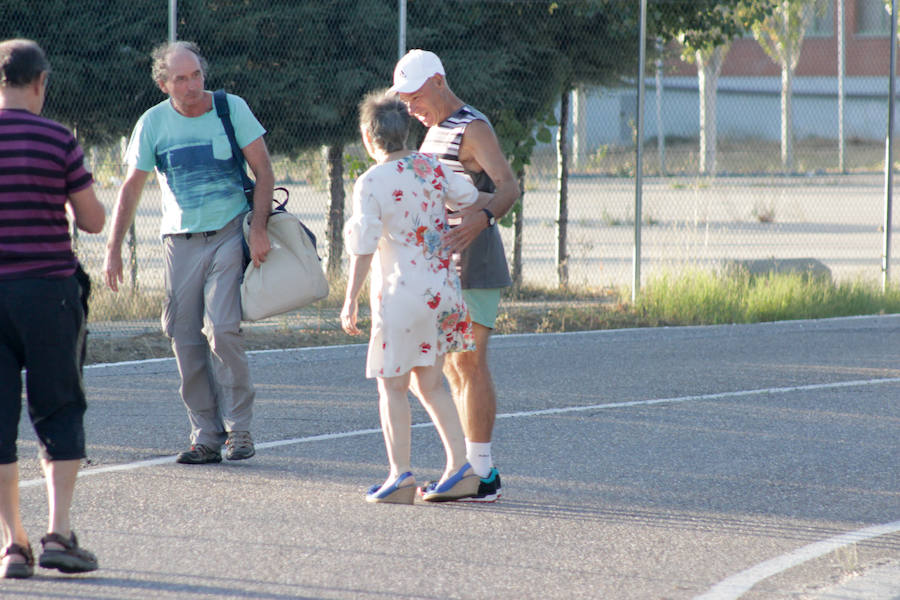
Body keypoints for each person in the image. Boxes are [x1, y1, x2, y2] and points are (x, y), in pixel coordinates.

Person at [104, 41, 274, 464]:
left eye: (196, 74)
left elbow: (264, 171)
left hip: (228, 232)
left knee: (222, 329)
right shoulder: (153, 123)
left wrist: (259, 230)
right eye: (181, 78)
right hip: (178, 243)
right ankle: (206, 436)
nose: (192, 84)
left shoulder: (230, 108)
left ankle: (240, 431)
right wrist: (113, 250)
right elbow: (131, 189)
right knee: (183, 337)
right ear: (164, 84)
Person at [390, 49, 520, 501]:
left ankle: (483, 473)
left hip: (475, 260)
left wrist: (480, 221)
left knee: (469, 362)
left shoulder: (472, 127)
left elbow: (508, 186)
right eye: (404, 102)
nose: (411, 109)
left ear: (439, 82)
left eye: (415, 98)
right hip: (441, 266)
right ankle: (466, 469)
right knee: (450, 365)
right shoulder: (433, 132)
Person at [341, 90, 481, 503]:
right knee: (432, 381)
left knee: (393, 386)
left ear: (369, 136)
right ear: (407, 132)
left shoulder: (370, 182)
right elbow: (468, 195)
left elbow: (364, 243)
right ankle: (461, 466)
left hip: (400, 296)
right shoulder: (433, 167)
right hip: (442, 292)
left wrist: (349, 299)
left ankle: (400, 475)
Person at [0, 38, 104, 578]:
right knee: (58, 407)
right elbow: (91, 220)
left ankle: (11, 542)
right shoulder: (57, 138)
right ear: (40, 81)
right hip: (47, 291)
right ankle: (58, 533)